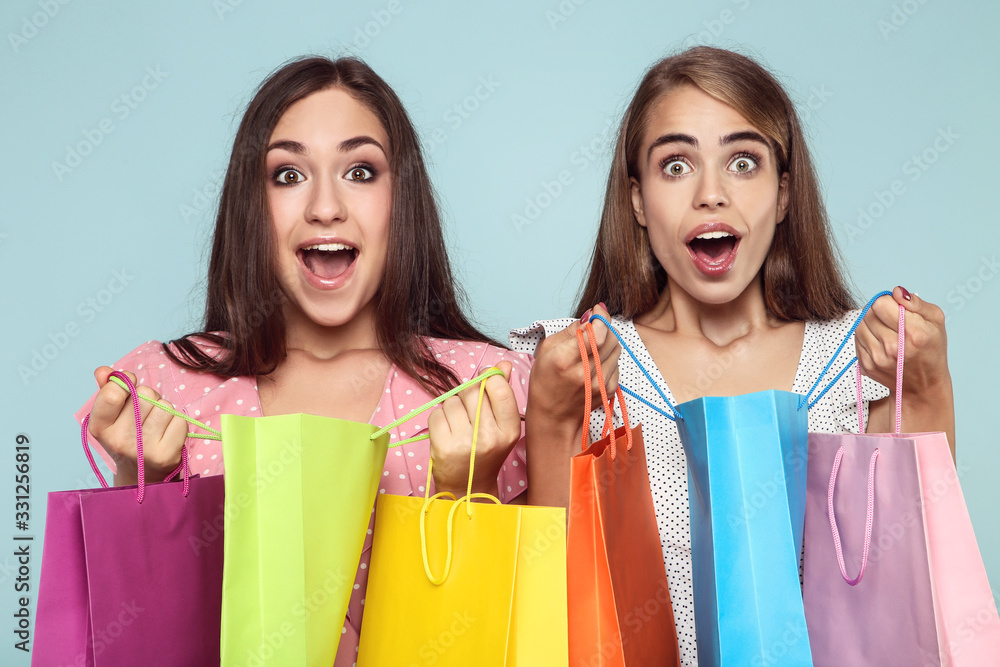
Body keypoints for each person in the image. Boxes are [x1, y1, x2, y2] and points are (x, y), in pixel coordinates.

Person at [75, 56, 529, 663]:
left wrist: (466, 490)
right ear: (251, 206)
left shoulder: (485, 386)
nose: (324, 207)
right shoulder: (166, 383)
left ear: (403, 200)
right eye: (288, 175)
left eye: (361, 171)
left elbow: (517, 637)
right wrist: (146, 488)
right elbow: (133, 635)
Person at [510, 45, 953, 665]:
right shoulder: (576, 365)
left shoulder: (860, 366)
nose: (711, 194)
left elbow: (912, 602)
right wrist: (555, 425)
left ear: (783, 193)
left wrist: (929, 391)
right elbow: (546, 628)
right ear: (637, 201)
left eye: (743, 162)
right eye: (676, 166)